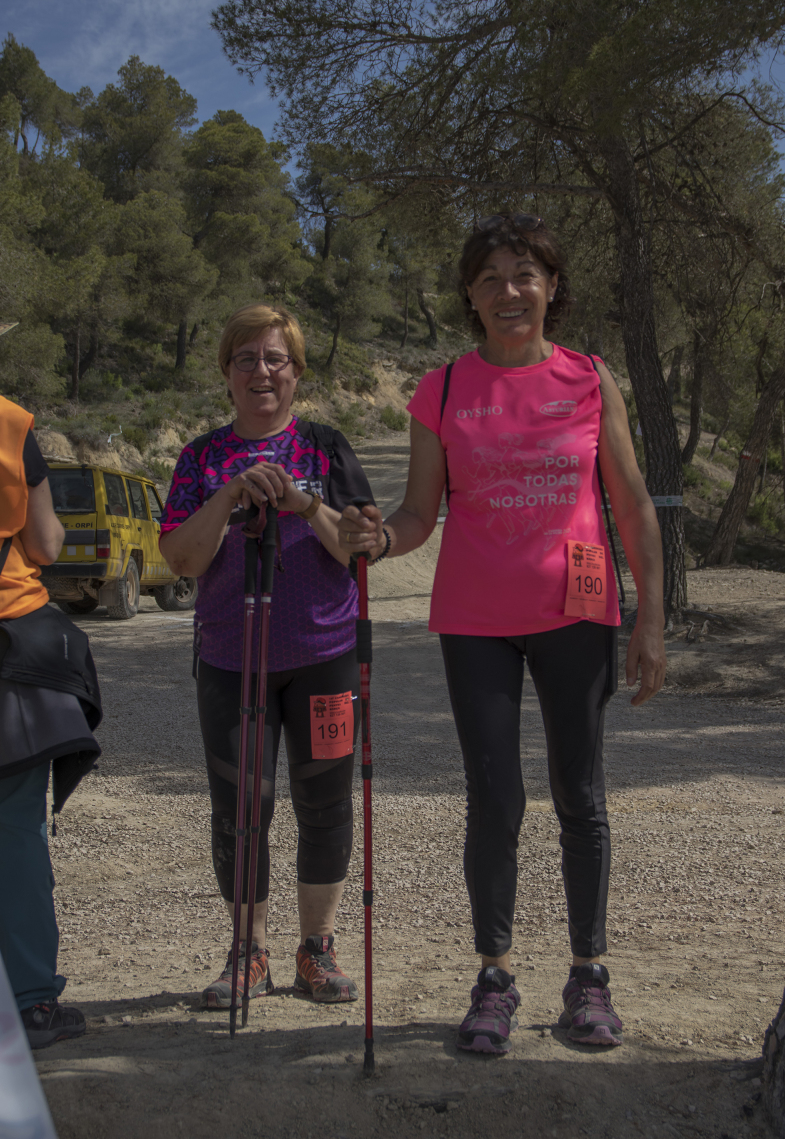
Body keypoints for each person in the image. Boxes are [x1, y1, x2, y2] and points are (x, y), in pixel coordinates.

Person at [338, 213, 666, 1053]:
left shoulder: (590, 379)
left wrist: (652, 617)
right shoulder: (443, 389)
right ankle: (495, 977)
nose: (508, 290)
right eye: (489, 277)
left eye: (524, 273)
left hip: (578, 612)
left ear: (552, 286)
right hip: (475, 621)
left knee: (579, 794)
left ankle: (589, 976)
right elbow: (419, 513)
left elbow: (631, 502)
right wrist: (380, 538)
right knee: (494, 798)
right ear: (470, 296)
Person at [160, 303, 375, 1010]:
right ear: (227, 373)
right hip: (232, 658)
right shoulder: (200, 458)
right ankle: (246, 952)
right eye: (246, 358)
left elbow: (362, 547)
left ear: (296, 372)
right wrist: (230, 494)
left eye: (275, 358)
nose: (262, 371)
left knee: (325, 803)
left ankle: (317, 949)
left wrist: (303, 505)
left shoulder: (326, 447)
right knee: (240, 809)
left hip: (324, 653)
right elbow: (182, 559)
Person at [0, 394, 102, 1049]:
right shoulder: (9, 424)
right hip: (10, 648)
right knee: (15, 832)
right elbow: (44, 541)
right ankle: (30, 1001)